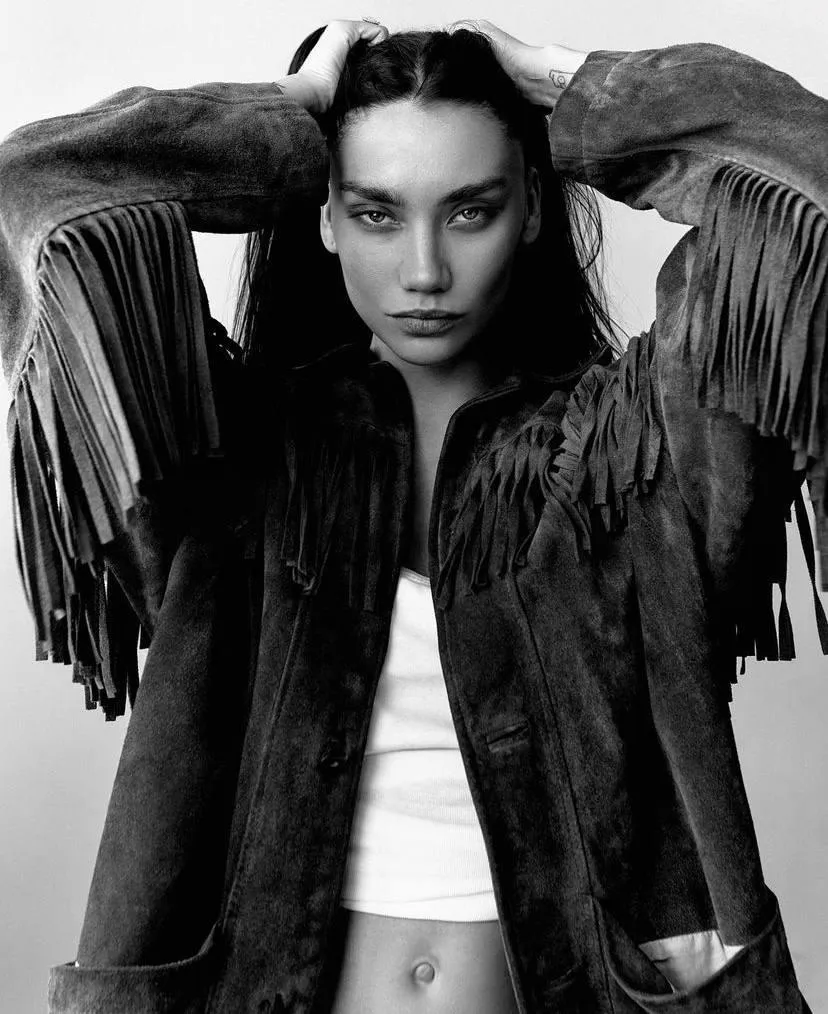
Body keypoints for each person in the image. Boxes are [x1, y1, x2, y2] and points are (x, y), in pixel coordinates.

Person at [0, 16, 825, 1014]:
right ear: (325, 217)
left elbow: (811, 189)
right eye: (378, 212)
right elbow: (31, 198)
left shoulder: (632, 452)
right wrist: (290, 118)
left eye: (469, 210)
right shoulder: (230, 456)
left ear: (530, 208)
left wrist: (576, 91)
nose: (425, 271)